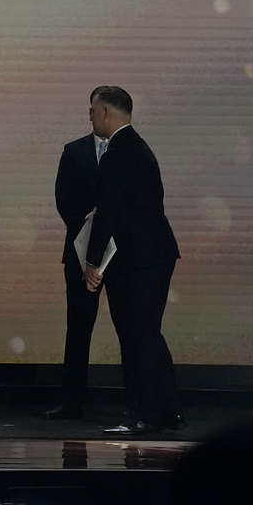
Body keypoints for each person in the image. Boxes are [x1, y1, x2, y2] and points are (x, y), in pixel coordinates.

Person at [79, 86, 182, 434]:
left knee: (138, 335)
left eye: (93, 110)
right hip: (151, 255)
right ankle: (166, 410)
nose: (90, 116)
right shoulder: (136, 147)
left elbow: (109, 212)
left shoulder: (118, 152)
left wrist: (92, 263)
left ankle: (146, 414)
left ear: (106, 113)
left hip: (138, 260)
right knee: (147, 333)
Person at [45, 111, 107, 421]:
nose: (92, 114)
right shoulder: (74, 150)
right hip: (80, 250)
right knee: (79, 327)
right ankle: (71, 401)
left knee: (134, 330)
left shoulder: (129, 150)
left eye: (98, 108)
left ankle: (140, 403)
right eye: (91, 109)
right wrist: (87, 226)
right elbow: (63, 198)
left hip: (122, 253)